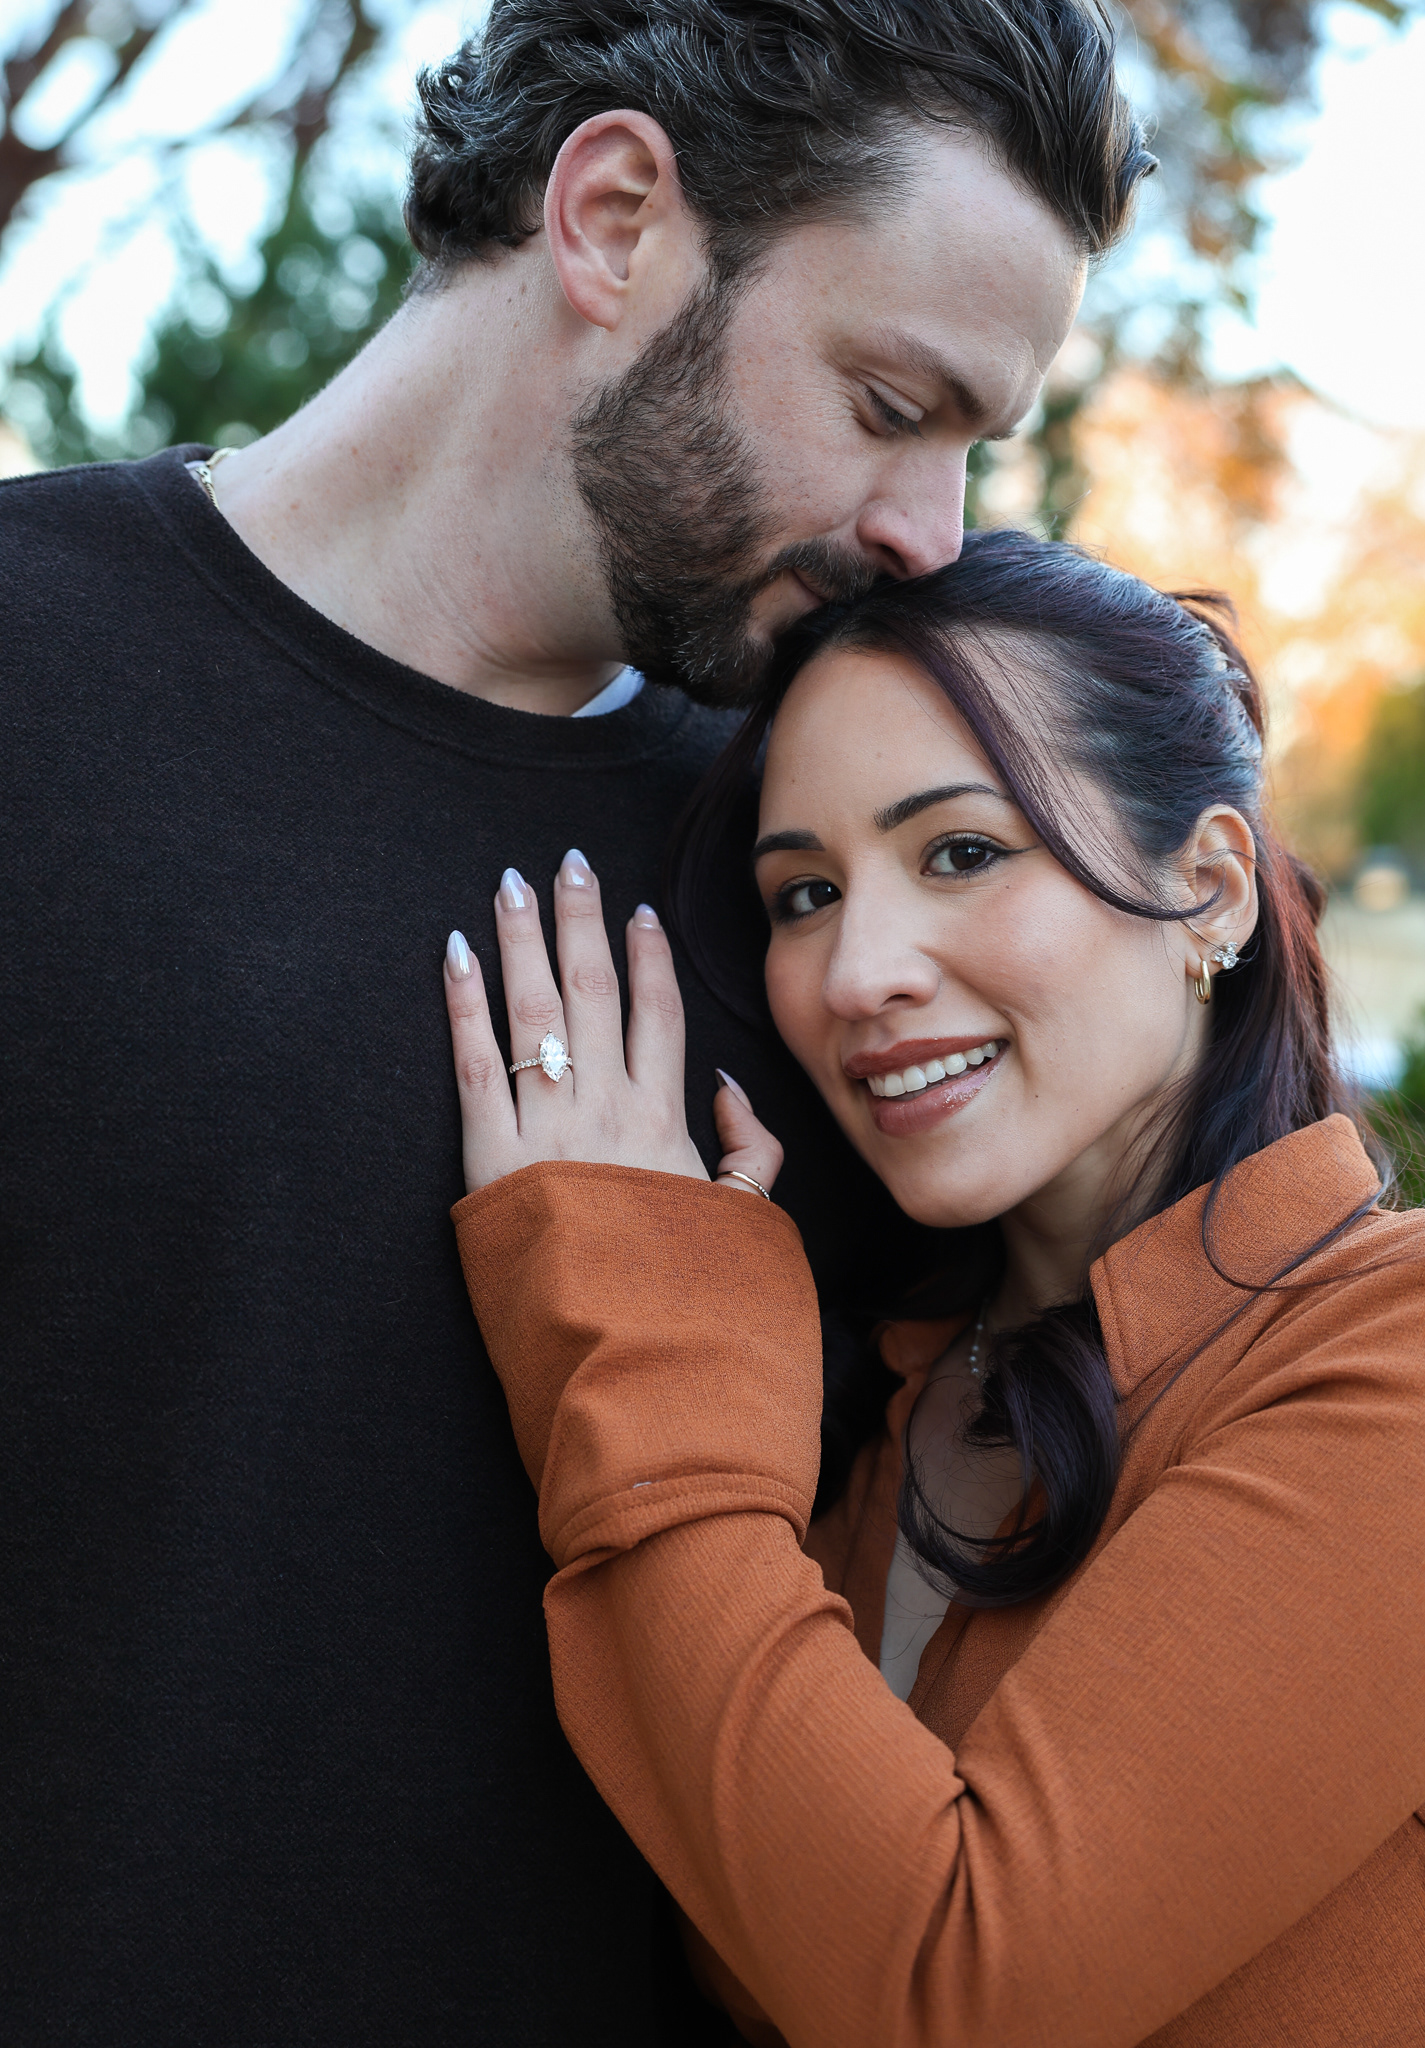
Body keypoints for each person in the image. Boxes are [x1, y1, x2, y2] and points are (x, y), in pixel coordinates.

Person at [0, 4, 1156, 2041]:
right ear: (614, 215)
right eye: (891, 402)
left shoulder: (849, 887)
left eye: (969, 444)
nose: (932, 529)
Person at [444, 527, 1425, 2047]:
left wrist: (630, 1333)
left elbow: (960, 1987)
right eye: (802, 894)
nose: (857, 974)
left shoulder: (1387, 1350)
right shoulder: (877, 1403)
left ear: (1210, 889)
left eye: (961, 853)